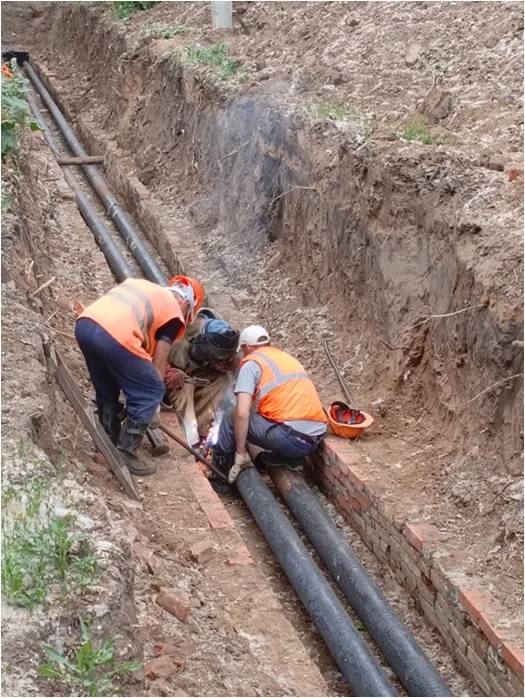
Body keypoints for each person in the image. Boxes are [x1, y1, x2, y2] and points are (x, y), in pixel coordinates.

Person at [75, 276, 203, 476]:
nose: (184, 318)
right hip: (115, 336)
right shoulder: (173, 312)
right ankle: (125, 452)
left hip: (85, 325)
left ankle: (107, 443)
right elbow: (158, 361)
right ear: (186, 304)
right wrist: (152, 405)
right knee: (152, 389)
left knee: (107, 388)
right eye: (188, 314)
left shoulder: (146, 288)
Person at [210, 325, 327, 493]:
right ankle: (290, 459)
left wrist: (241, 453)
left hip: (291, 439)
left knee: (230, 416)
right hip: (314, 437)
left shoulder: (251, 364)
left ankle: (220, 478)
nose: (243, 354)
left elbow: (241, 414)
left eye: (243, 350)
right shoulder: (286, 358)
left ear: (247, 347)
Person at [164, 310, 240, 442]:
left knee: (222, 379)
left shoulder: (224, 337)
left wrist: (228, 365)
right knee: (185, 386)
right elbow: (153, 361)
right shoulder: (178, 339)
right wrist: (168, 371)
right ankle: (189, 437)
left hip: (191, 376)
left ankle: (203, 428)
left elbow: (236, 367)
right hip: (166, 382)